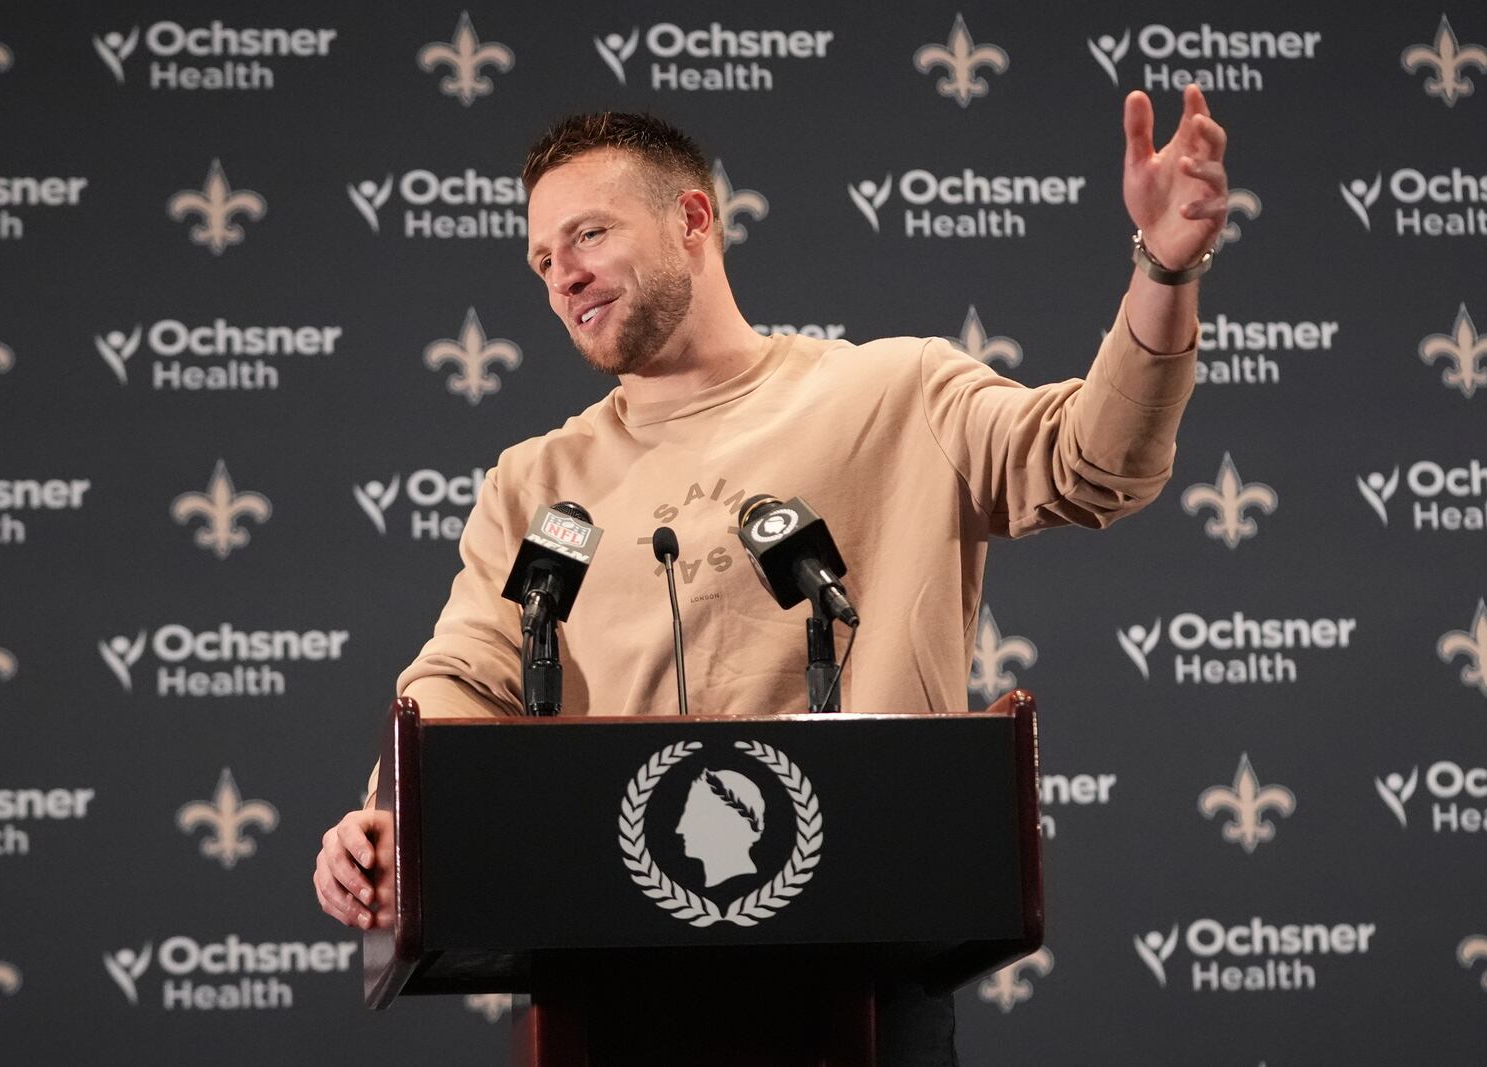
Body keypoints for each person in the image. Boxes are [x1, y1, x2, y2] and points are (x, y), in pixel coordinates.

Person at [314, 86, 1227, 1056]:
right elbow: (461, 680)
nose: (562, 277)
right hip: (607, 984)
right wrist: (391, 818)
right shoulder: (539, 485)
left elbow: (1095, 461)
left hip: (864, 972)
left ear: (693, 219)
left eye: (587, 235)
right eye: (542, 259)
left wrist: (1164, 266)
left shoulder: (895, 392)